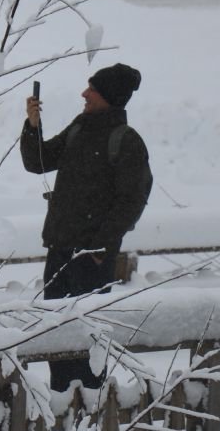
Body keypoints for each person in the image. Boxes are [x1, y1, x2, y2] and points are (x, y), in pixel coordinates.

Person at [20, 63, 152, 392]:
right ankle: (62, 405)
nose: (84, 93)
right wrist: (33, 125)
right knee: (55, 340)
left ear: (107, 96)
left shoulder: (126, 141)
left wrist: (99, 248)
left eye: (91, 88)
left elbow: (132, 203)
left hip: (91, 261)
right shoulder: (81, 127)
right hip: (59, 252)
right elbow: (38, 161)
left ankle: (88, 414)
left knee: (87, 342)